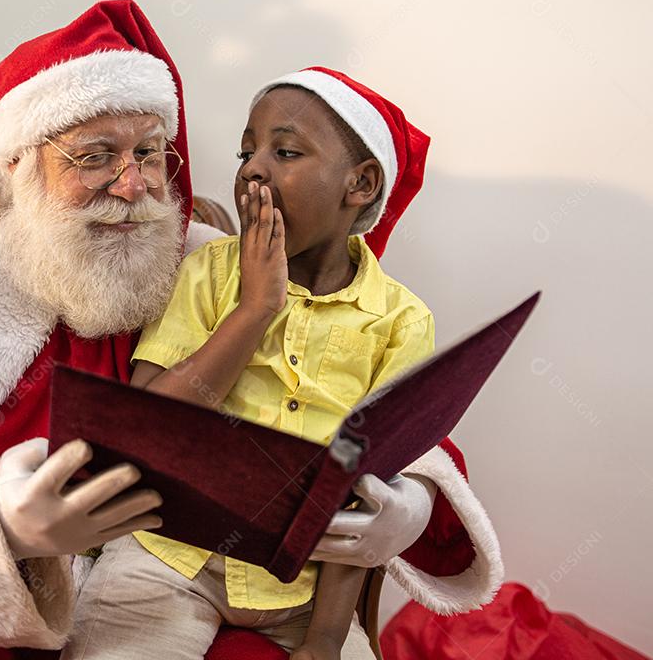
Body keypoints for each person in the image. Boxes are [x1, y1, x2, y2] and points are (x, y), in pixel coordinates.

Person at [0, 1, 502, 660]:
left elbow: (385, 414)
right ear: (22, 168)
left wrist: (413, 504)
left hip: (173, 593)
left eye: (150, 152)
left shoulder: (204, 274)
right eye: (95, 157)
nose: (135, 185)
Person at [63, 67, 472, 660]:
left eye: (284, 151)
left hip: (302, 588)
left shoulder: (402, 323)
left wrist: (327, 638)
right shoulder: (204, 273)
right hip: (166, 557)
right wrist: (256, 307)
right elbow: (149, 424)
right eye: (246, 151)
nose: (253, 168)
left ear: (359, 184)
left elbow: (367, 488)